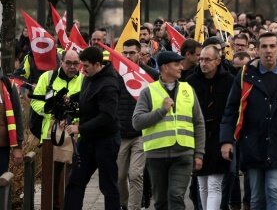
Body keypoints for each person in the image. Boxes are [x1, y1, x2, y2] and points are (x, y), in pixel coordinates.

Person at [220, 32, 277, 210]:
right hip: (253, 146)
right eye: (264, 46)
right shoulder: (245, 75)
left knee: (275, 192)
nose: (268, 51)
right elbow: (231, 110)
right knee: (257, 199)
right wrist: (226, 141)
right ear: (257, 50)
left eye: (272, 46)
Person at [133, 50, 206, 210]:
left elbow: (199, 123)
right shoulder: (148, 91)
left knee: (176, 196)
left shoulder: (188, 89)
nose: (181, 67)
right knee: (160, 201)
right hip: (156, 156)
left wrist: (199, 153)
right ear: (165, 67)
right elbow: (137, 122)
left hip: (183, 154)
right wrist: (161, 110)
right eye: (176, 64)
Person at [63, 46, 121, 210]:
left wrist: (79, 129)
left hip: (106, 141)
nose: (83, 69)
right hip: (88, 141)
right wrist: (70, 100)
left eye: (86, 66)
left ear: (97, 64)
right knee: (75, 181)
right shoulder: (89, 77)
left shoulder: (109, 84)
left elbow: (106, 116)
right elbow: (85, 96)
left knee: (108, 186)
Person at [30, 49, 83, 210]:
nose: (72, 67)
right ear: (61, 62)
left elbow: (87, 107)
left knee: (73, 178)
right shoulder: (48, 78)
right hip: (50, 136)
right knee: (52, 178)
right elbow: (36, 102)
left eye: (76, 63)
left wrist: (73, 120)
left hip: (75, 137)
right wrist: (52, 111)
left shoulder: (84, 80)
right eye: (69, 63)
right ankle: (54, 206)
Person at [187, 45, 234, 210]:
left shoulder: (229, 81)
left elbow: (232, 110)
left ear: (218, 60)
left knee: (214, 183)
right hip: (198, 137)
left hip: (219, 137)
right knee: (202, 183)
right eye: (201, 59)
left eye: (207, 59)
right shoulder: (191, 81)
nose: (203, 63)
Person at [117, 39, 148, 210]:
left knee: (135, 174)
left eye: (132, 53)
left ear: (139, 54)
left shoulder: (148, 75)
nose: (128, 56)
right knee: (120, 177)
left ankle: (134, 207)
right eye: (125, 53)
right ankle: (125, 203)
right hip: (121, 134)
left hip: (141, 133)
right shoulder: (116, 75)